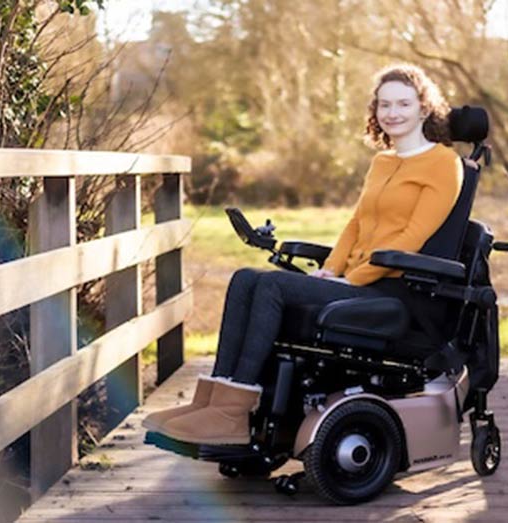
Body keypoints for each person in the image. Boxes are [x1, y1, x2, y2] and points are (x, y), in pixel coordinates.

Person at [143, 63, 463, 445]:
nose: (392, 113)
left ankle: (232, 413)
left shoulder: (445, 163)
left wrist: (353, 277)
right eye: (384, 105)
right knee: (245, 278)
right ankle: (214, 400)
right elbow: (356, 224)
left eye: (403, 104)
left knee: (274, 286)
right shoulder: (383, 162)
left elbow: (411, 239)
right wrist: (330, 270)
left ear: (424, 109)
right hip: (355, 280)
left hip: (393, 291)